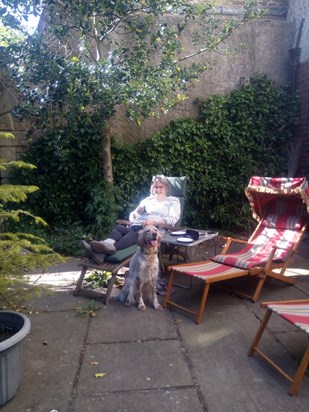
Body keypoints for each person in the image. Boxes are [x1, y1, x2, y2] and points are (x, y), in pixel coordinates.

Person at [81, 175, 181, 264]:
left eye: (161, 187)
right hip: (134, 226)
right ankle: (104, 248)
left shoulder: (173, 201)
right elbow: (132, 217)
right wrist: (137, 212)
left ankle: (101, 250)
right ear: (152, 188)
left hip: (150, 232)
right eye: (156, 187)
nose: (158, 190)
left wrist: (154, 222)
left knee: (134, 234)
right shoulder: (147, 200)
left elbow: (172, 219)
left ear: (166, 188)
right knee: (119, 228)